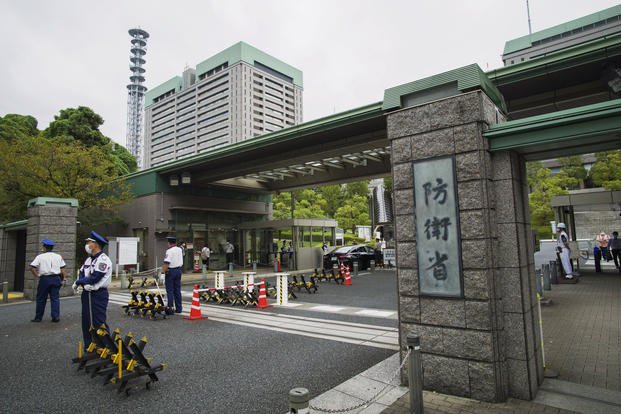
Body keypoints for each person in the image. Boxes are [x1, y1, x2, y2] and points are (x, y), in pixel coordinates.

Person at [73, 231, 112, 346]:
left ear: (96, 245)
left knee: (98, 322)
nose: (87, 244)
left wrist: (79, 282)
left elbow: (96, 276)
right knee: (86, 321)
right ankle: (89, 346)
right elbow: (81, 271)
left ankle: (106, 347)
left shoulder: (103, 259)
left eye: (89, 242)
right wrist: (81, 281)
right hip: (86, 293)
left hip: (98, 294)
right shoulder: (89, 259)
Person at [30, 239, 66, 323]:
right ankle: (55, 317)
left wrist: (37, 275)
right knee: (55, 298)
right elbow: (62, 268)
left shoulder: (40, 257)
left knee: (41, 299)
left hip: (44, 279)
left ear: (45, 248)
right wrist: (64, 278)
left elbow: (32, 267)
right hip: (56, 278)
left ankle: (38, 317)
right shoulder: (58, 256)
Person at [162, 236, 183, 314]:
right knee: (177, 290)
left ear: (169, 243)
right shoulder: (180, 249)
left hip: (171, 271)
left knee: (170, 290)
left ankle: (170, 309)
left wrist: (162, 272)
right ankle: (179, 308)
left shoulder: (169, 251)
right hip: (178, 270)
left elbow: (167, 263)